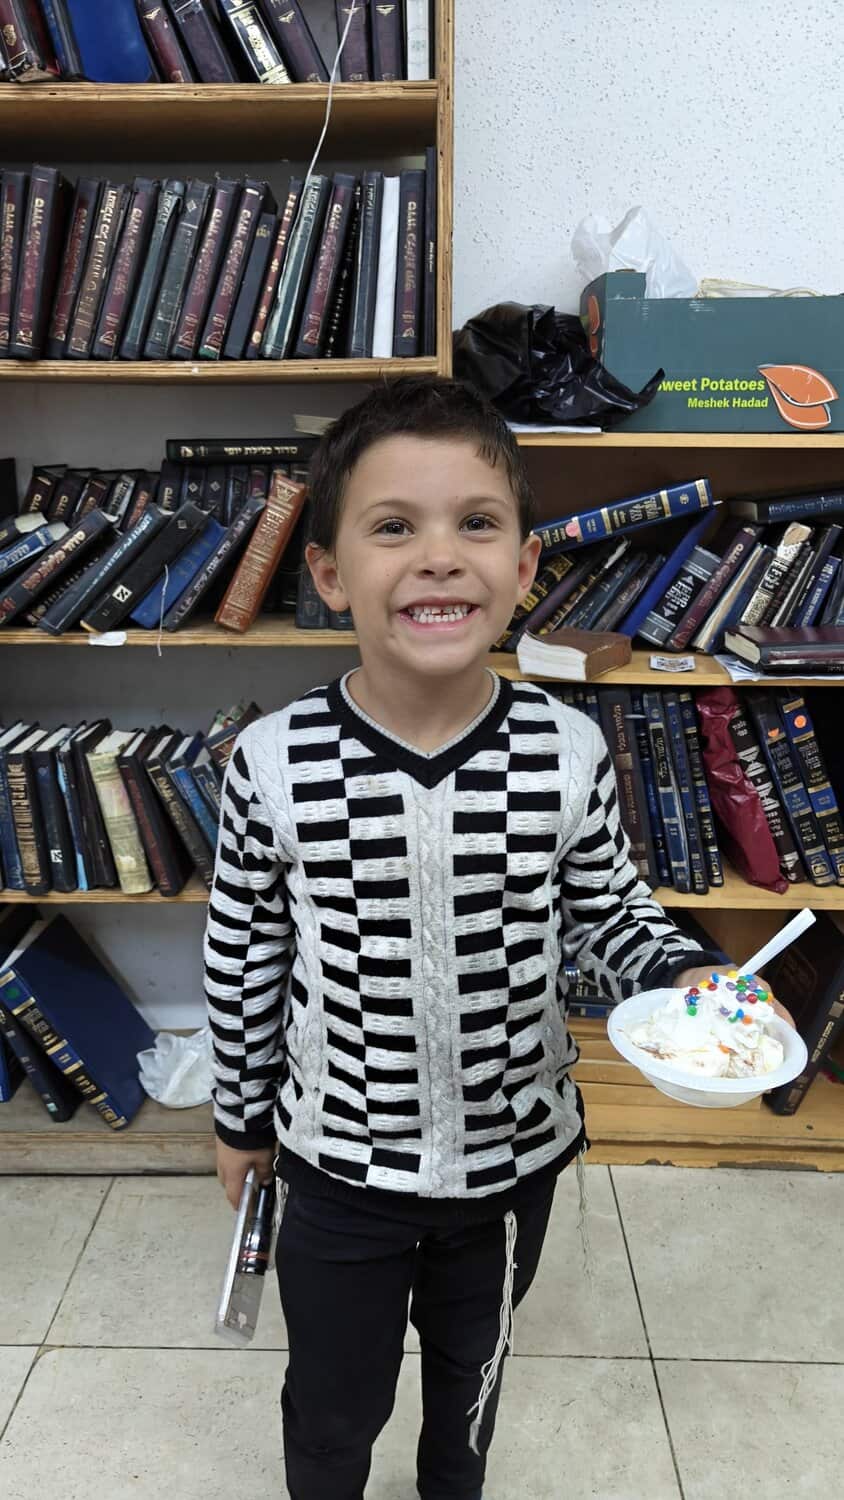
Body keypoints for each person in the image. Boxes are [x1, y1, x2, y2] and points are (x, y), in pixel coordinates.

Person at [205, 377, 791, 1500]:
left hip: (511, 1163)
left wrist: (689, 973)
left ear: (524, 569)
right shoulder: (273, 762)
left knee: (468, 1391)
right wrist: (239, 1122)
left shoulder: (565, 750)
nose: (440, 557)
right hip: (337, 1164)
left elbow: (607, 906)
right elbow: (245, 955)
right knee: (333, 1404)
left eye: (476, 523)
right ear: (328, 574)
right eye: (393, 528)